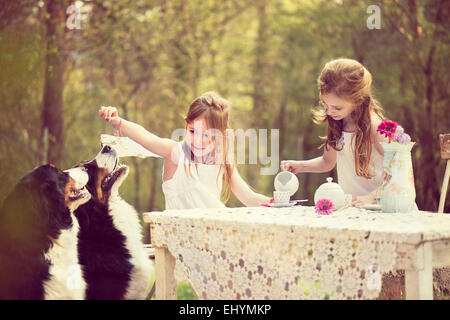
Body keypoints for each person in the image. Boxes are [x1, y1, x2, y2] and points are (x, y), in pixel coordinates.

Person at [99, 91, 271, 209]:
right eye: (192, 131)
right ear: (186, 126)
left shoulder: (221, 162)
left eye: (207, 135)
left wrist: (275, 202)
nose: (197, 140)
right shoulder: (176, 153)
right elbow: (146, 137)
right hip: (183, 239)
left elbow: (248, 197)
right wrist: (118, 121)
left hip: (216, 234)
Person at [281, 58, 389, 206]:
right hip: (353, 208)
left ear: (357, 100)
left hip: (381, 208)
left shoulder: (377, 127)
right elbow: (328, 161)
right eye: (325, 105)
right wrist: (301, 166)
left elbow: (399, 175)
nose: (330, 112)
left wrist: (372, 197)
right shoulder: (337, 121)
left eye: (337, 108)